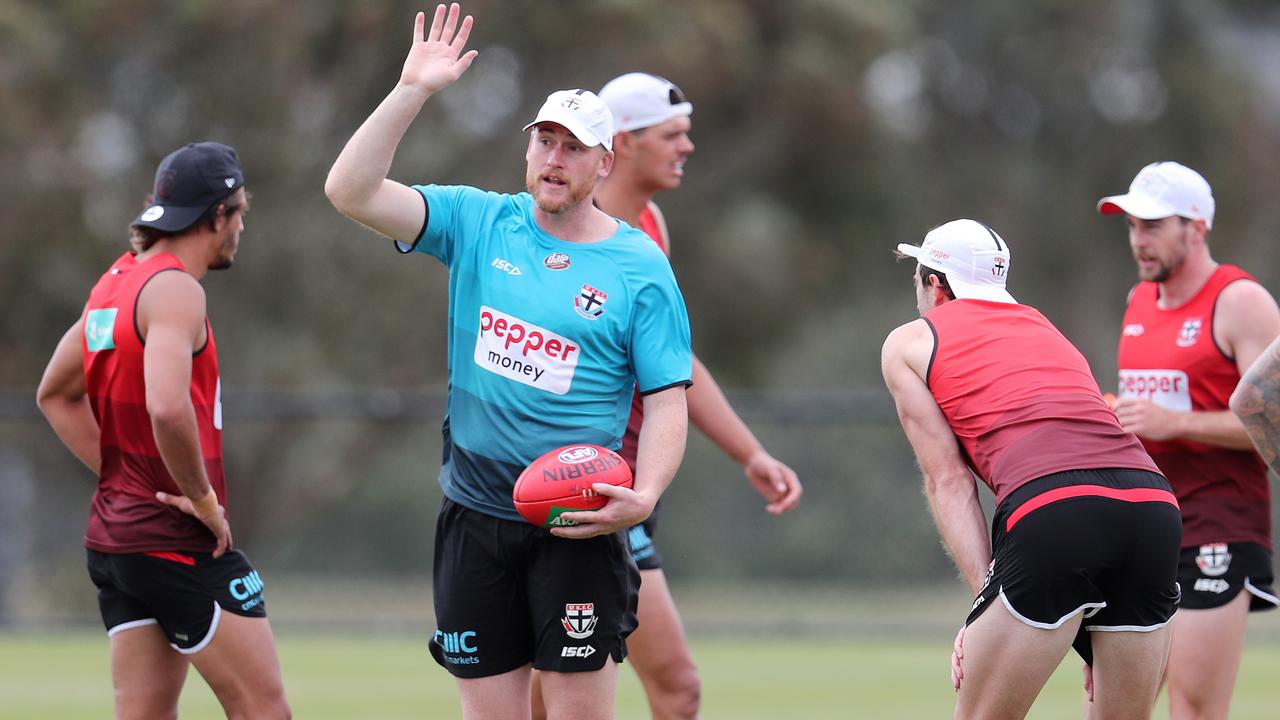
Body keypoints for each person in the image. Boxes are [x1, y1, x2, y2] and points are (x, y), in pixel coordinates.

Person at [323, 6, 694, 718]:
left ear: (603, 162)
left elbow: (669, 396)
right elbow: (350, 192)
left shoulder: (639, 267)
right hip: (473, 519)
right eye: (545, 142)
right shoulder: (479, 219)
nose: (554, 159)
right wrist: (413, 91)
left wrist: (645, 496)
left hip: (579, 526)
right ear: (528, 151)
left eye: (573, 147)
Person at [528, 72, 803, 720]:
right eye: (672, 135)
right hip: (570, 485)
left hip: (627, 484)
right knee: (591, 688)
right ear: (622, 143)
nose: (687, 147)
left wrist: (749, 453)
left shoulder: (649, 227)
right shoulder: (561, 231)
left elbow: (672, 368)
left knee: (662, 689)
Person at [880, 219, 1181, 719]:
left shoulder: (908, 343)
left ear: (935, 283)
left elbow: (949, 482)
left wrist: (984, 600)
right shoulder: (1045, 326)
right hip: (1152, 506)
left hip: (1054, 508)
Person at [35, 141, 291, 719]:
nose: (242, 227)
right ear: (216, 216)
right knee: (264, 709)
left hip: (114, 543)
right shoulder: (176, 290)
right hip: (176, 543)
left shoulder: (115, 284)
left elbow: (54, 393)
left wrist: (127, 478)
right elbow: (168, 409)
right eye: (240, 212)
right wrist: (202, 501)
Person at [1099, 161, 1280, 719]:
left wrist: (1176, 423)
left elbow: (1276, 425)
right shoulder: (1137, 302)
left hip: (1218, 527)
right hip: (1144, 528)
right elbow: (1146, 415)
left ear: (1196, 227)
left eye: (1152, 225)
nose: (1138, 240)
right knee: (1112, 708)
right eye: (1131, 226)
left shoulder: (1241, 300)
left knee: (1194, 707)